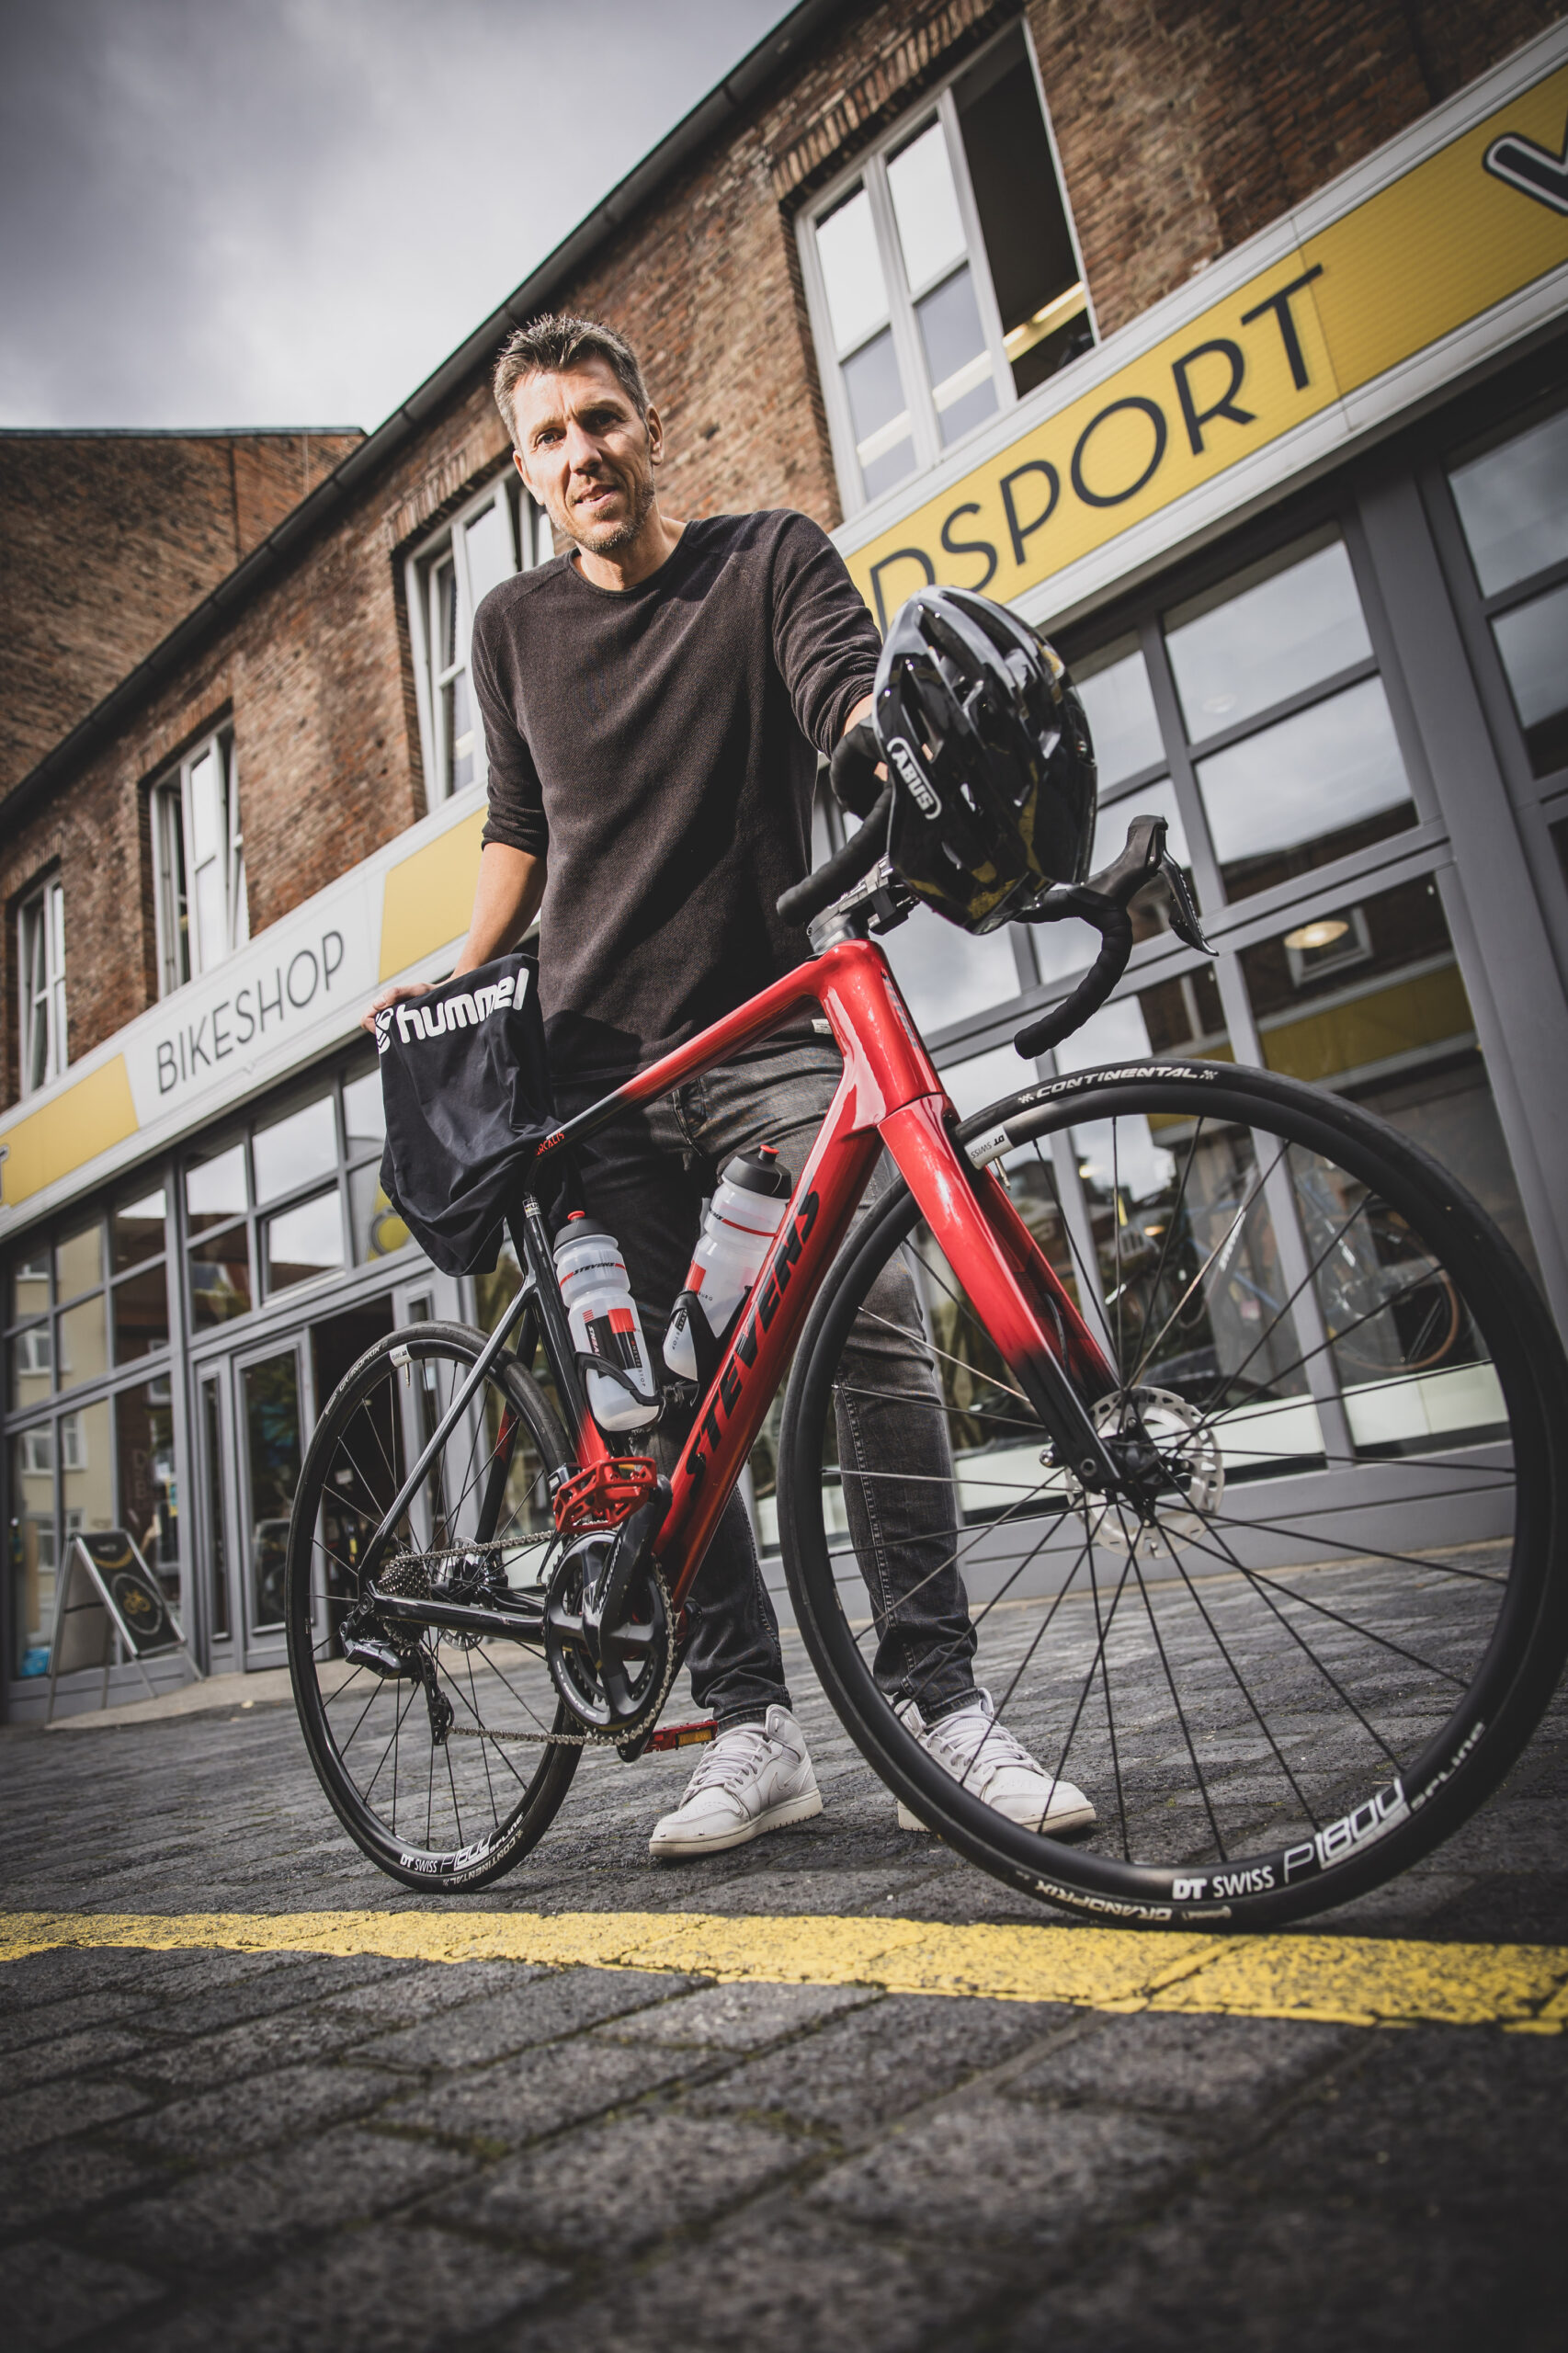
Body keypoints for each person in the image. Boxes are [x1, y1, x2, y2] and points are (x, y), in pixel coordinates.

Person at [367, 313, 1093, 1860]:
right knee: (648, 1420)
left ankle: (940, 1702)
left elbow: (840, 698)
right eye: (550, 438)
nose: (583, 455)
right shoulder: (508, 627)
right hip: (594, 1081)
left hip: (767, 1038)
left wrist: (886, 752)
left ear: (651, 421)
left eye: (602, 421)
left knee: (869, 1340)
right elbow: (518, 826)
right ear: (525, 470)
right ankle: (751, 1730)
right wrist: (455, 963)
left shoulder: (767, 559)